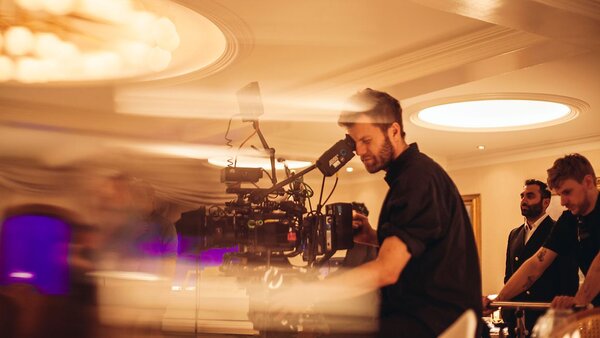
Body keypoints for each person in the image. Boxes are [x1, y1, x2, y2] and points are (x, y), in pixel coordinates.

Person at [272, 88, 482, 338]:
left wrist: (308, 293)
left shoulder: (416, 180)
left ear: (394, 131)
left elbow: (387, 270)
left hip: (432, 325)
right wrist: (372, 236)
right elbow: (422, 250)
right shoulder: (415, 175)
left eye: (366, 140)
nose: (359, 151)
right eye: (354, 142)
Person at [486, 154, 600, 313]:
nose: (562, 202)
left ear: (588, 182)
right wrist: (499, 301)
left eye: (567, 192)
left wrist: (579, 299)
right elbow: (536, 264)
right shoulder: (569, 221)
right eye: (560, 195)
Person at [501, 179, 579, 337]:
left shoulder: (558, 230)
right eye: (522, 196)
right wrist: (504, 307)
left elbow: (568, 278)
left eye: (530, 196)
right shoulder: (514, 234)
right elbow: (509, 275)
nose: (523, 200)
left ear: (546, 202)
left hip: (545, 318)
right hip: (516, 320)